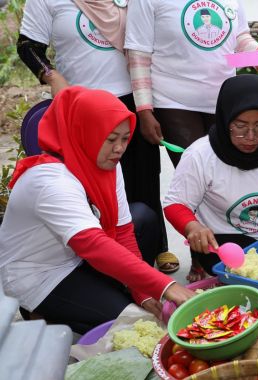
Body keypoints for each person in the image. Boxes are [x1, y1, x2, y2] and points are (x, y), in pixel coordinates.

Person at [0, 87, 195, 333]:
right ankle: (40, 312)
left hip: (76, 259)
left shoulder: (105, 163)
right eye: (111, 138)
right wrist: (166, 286)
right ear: (84, 132)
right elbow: (92, 244)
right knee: (136, 325)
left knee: (143, 218)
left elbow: (123, 232)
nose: (119, 148)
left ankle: (103, 297)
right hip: (40, 276)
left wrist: (143, 291)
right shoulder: (50, 180)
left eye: (125, 138)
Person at [16, 0, 176, 274]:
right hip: (83, 106)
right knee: (88, 182)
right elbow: (28, 45)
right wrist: (53, 77)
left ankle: (156, 246)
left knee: (144, 174)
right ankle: (96, 256)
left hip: (134, 98)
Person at [163, 75, 258, 276]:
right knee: (233, 271)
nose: (251, 137)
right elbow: (176, 204)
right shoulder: (199, 155)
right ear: (225, 119)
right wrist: (192, 227)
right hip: (223, 237)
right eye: (240, 126)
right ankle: (201, 261)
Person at [124, 0, 258, 168]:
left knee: (225, 172)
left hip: (224, 102)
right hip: (173, 102)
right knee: (195, 171)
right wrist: (144, 111)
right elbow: (138, 54)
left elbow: (240, 36)